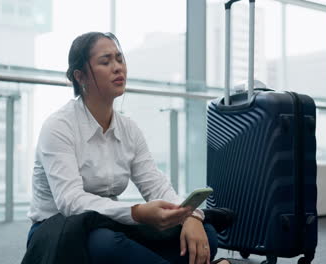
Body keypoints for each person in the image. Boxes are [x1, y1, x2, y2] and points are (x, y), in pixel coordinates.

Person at [25, 31, 233, 264]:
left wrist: (189, 217)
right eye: (105, 61)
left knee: (206, 237)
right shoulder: (59, 127)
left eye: (120, 59)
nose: (117, 67)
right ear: (80, 76)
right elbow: (71, 203)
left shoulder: (128, 128)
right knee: (106, 245)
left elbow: (155, 184)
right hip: (59, 230)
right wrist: (136, 213)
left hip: (111, 223)